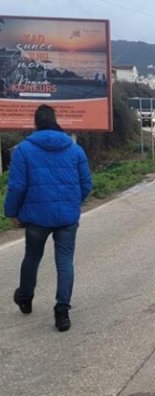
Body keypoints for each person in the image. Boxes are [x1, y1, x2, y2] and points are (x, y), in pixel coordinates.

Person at [4, 104, 92, 332]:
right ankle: (62, 312)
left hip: (36, 218)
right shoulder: (75, 150)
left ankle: (25, 297)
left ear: (36, 123)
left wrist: (11, 212)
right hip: (67, 218)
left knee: (32, 257)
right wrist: (73, 202)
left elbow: (17, 186)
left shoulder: (23, 150)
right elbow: (86, 185)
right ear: (56, 121)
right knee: (64, 262)